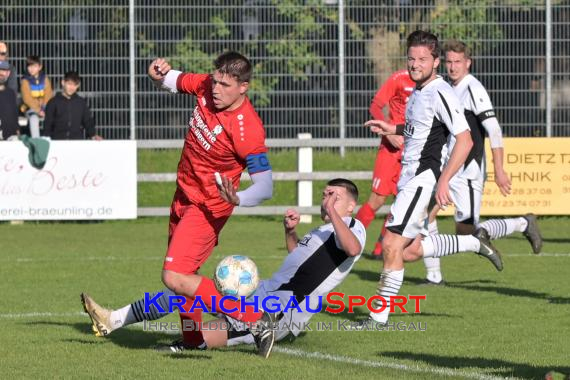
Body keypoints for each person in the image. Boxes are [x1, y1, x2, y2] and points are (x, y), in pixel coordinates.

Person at [83, 51, 275, 357]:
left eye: (225, 84)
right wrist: (157, 71)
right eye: (215, 81)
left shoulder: (247, 128)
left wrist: (240, 198)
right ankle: (192, 340)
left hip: (208, 207)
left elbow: (266, 185)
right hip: (183, 196)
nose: (216, 89)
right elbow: (166, 80)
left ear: (243, 87)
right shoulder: (204, 86)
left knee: (174, 276)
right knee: (184, 279)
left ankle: (257, 320)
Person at [82, 178, 365, 352]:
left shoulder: (354, 227)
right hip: (263, 295)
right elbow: (298, 263)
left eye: (334, 196)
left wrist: (333, 215)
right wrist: (290, 233)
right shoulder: (323, 231)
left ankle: (191, 340)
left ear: (350, 206)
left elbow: (352, 249)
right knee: (185, 289)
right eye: (325, 194)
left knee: (193, 337)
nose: (326, 200)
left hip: (282, 312)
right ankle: (114, 319)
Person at [357, 30, 503, 328]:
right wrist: (391, 127)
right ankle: (474, 243)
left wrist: (445, 180)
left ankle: (378, 317)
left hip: (422, 179)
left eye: (423, 59)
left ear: (436, 61)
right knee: (408, 251)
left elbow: (465, 139)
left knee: (390, 244)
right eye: (411, 58)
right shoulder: (418, 92)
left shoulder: (440, 91)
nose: (415, 64)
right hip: (409, 177)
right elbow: (419, 131)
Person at [420, 40, 543, 285]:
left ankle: (523, 222)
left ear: (468, 63)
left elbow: (494, 130)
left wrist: (499, 170)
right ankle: (434, 277)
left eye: (458, 62)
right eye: (449, 61)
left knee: (468, 233)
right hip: (448, 168)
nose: (453, 67)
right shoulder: (446, 87)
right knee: (425, 214)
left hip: (468, 171)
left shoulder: (473, 88)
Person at [356, 69, 414, 258]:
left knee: (401, 202)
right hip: (390, 150)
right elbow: (375, 106)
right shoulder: (399, 78)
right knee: (377, 200)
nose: (416, 64)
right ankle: (348, 241)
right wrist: (389, 134)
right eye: (413, 58)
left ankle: (380, 249)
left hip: (414, 150)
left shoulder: (435, 84)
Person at [43, 71, 102, 140]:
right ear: (63, 82)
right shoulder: (53, 102)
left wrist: (93, 135)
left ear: (78, 85)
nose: (72, 88)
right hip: (58, 141)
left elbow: (88, 121)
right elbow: (48, 124)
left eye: (75, 85)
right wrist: (46, 138)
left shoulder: (81, 103)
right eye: (69, 84)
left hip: (76, 141)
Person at [20, 55, 53, 138]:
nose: (31, 69)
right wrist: (38, 110)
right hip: (30, 108)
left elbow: (48, 94)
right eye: (29, 66)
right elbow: (27, 99)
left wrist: (44, 108)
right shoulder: (25, 80)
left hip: (44, 108)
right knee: (34, 119)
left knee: (53, 117)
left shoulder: (45, 79)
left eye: (34, 66)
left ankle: (49, 138)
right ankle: (36, 141)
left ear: (40, 67)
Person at [0, 60, 19, 140]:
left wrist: (17, 129)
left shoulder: (10, 93)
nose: (1, 73)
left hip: (10, 135)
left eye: (3, 70)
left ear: (8, 73)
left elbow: (14, 114)